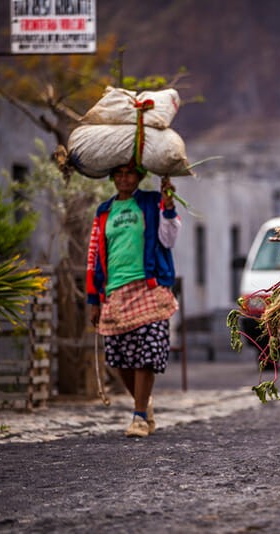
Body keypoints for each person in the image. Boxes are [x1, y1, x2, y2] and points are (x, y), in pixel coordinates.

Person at [86, 160, 181, 437]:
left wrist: (168, 205)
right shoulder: (104, 211)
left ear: (139, 176)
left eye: (130, 173)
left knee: (147, 354)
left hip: (149, 287)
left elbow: (169, 237)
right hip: (115, 290)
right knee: (118, 358)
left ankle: (139, 417)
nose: (124, 178)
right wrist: (94, 298)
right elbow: (93, 256)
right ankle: (144, 403)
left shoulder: (152, 202)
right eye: (119, 173)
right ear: (112, 178)